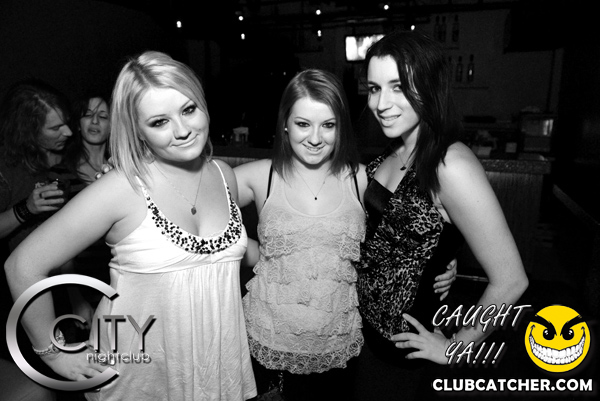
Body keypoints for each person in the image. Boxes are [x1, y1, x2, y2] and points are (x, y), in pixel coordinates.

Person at [5, 51, 257, 400]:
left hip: (214, 363)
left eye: (188, 110)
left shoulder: (223, 175)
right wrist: (53, 353)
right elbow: (23, 265)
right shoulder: (121, 188)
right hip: (137, 372)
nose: (183, 130)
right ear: (137, 130)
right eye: (159, 122)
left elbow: (222, 256)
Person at [234, 69, 456, 401]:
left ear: (341, 128)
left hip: (339, 346)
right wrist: (253, 251)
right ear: (285, 124)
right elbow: (197, 210)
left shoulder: (362, 179)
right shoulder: (257, 176)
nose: (315, 138)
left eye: (328, 125)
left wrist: (441, 260)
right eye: (303, 124)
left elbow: (405, 237)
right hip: (267, 340)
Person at [352, 29, 529, 400]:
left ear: (429, 88)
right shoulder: (395, 149)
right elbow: (396, 234)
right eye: (374, 88)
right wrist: (439, 256)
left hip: (405, 358)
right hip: (365, 337)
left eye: (398, 87)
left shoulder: (451, 164)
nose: (381, 103)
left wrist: (453, 348)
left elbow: (511, 280)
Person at [0, 78, 73, 401]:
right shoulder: (5, 169)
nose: (68, 132)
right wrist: (26, 209)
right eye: (55, 127)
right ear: (28, 131)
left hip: (60, 290)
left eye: (66, 123)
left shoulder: (58, 161)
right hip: (16, 300)